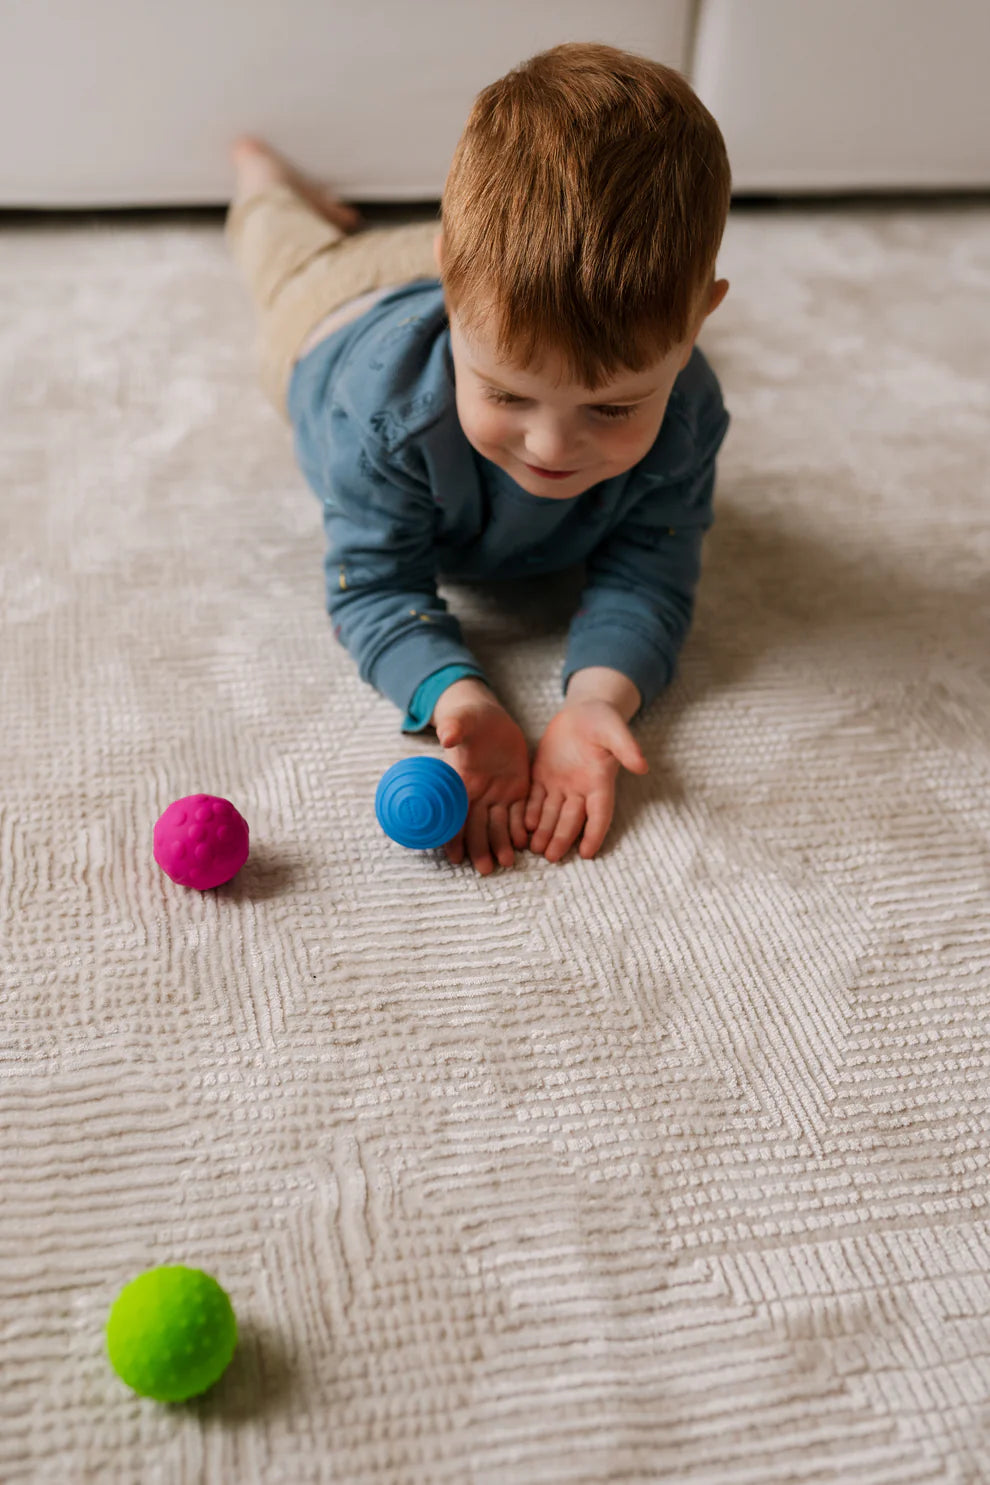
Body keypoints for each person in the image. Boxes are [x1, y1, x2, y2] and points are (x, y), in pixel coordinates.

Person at [226, 41, 731, 876]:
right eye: (506, 396)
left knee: (561, 321)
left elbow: (653, 570)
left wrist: (599, 697)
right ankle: (261, 177)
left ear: (701, 318)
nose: (551, 446)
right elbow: (377, 586)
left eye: (612, 406)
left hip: (478, 285)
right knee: (277, 248)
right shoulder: (382, 419)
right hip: (330, 311)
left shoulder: (688, 410)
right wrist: (459, 696)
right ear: (450, 292)